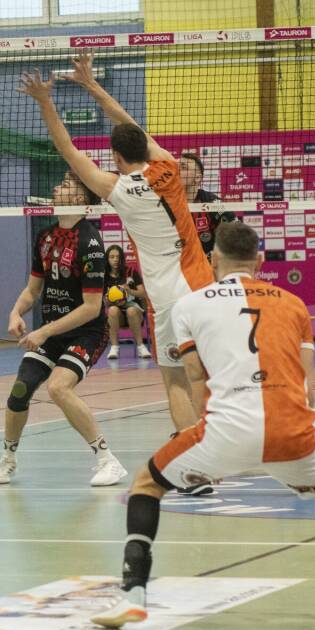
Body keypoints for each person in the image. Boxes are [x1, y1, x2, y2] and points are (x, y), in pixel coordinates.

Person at [92, 221, 315, 627]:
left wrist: (210, 452)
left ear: (213, 259)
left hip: (226, 431)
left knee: (146, 485)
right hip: (292, 431)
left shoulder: (189, 306)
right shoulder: (293, 304)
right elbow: (306, 387)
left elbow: (196, 379)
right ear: (259, 260)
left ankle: (133, 592)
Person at [21, 54, 210, 441]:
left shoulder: (115, 188)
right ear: (146, 148)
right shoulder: (170, 167)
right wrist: (92, 85)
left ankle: (192, 451)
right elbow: (129, 124)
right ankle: (223, 439)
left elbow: (66, 148)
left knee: (175, 380)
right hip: (201, 285)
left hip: (166, 297)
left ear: (116, 158)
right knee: (207, 373)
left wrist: (45, 101)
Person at [0, 174, 125, 487]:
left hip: (87, 333)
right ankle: (8, 459)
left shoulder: (90, 242)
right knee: (21, 389)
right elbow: (32, 290)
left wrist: (44, 332)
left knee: (58, 387)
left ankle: (108, 460)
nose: (55, 188)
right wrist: (15, 312)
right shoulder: (45, 236)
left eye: (65, 186)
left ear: (79, 199)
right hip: (52, 332)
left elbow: (91, 308)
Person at [179, 152, 234, 256]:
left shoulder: (212, 203)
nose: (176, 171)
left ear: (197, 178)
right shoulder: (161, 203)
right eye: (175, 167)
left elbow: (237, 233)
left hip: (206, 263)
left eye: (183, 167)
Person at [103, 244, 150, 360]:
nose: (115, 259)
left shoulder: (131, 272)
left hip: (135, 312)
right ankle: (114, 347)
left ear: (122, 258)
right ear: (107, 259)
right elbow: (104, 302)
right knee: (112, 310)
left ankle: (141, 346)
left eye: (118, 257)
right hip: (118, 316)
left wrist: (130, 291)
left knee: (131, 310)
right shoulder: (104, 276)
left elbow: (143, 293)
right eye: (112, 257)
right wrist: (109, 301)